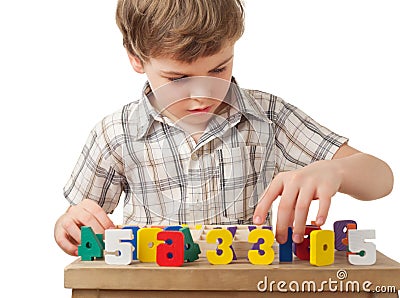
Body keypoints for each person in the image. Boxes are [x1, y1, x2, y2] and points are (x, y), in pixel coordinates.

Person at [54, 0, 393, 256]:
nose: (202, 96)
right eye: (178, 79)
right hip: (152, 287)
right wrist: (67, 227)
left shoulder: (268, 116)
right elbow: (76, 223)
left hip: (244, 285)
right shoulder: (116, 133)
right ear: (136, 58)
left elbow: (381, 178)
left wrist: (334, 171)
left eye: (218, 69)